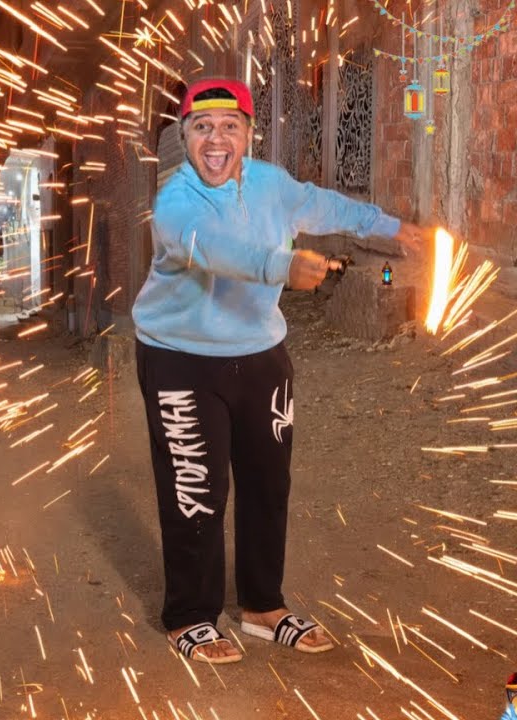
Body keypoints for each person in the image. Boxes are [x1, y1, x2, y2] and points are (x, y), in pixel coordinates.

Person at [131, 77, 422, 664]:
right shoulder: (176, 202)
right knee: (196, 490)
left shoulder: (270, 184)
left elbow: (324, 205)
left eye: (229, 127)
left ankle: (263, 605)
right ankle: (189, 614)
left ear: (247, 135)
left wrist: (390, 227)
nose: (216, 140)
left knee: (268, 483)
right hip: (180, 358)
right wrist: (280, 265)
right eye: (202, 128)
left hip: (261, 356)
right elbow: (213, 248)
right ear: (185, 137)